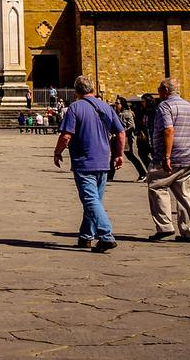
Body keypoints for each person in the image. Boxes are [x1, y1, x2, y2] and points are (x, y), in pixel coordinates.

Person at [53, 75, 125, 253]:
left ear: (76, 91)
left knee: (91, 200)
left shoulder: (75, 108)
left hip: (84, 162)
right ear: (92, 88)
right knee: (94, 201)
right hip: (103, 161)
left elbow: (66, 135)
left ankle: (106, 236)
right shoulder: (106, 107)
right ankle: (86, 236)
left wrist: (57, 152)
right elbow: (121, 133)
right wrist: (119, 154)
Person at [145, 78, 190, 243]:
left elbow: (169, 130)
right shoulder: (189, 106)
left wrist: (167, 156)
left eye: (159, 89)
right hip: (189, 156)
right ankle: (189, 231)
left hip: (171, 156)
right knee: (186, 194)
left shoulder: (165, 106)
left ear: (165, 90)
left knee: (157, 186)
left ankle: (164, 227)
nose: (158, 91)